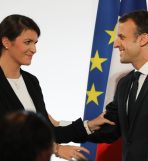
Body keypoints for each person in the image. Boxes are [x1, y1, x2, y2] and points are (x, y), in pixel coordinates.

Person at [0, 14, 114, 160]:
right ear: (6, 42)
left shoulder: (31, 81)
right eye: (27, 42)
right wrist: (56, 148)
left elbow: (46, 131)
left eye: (35, 43)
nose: (34, 49)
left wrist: (89, 125)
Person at [82, 10, 148, 161]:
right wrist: (60, 127)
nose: (115, 43)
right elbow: (109, 129)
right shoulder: (125, 83)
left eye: (122, 37)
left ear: (143, 39)